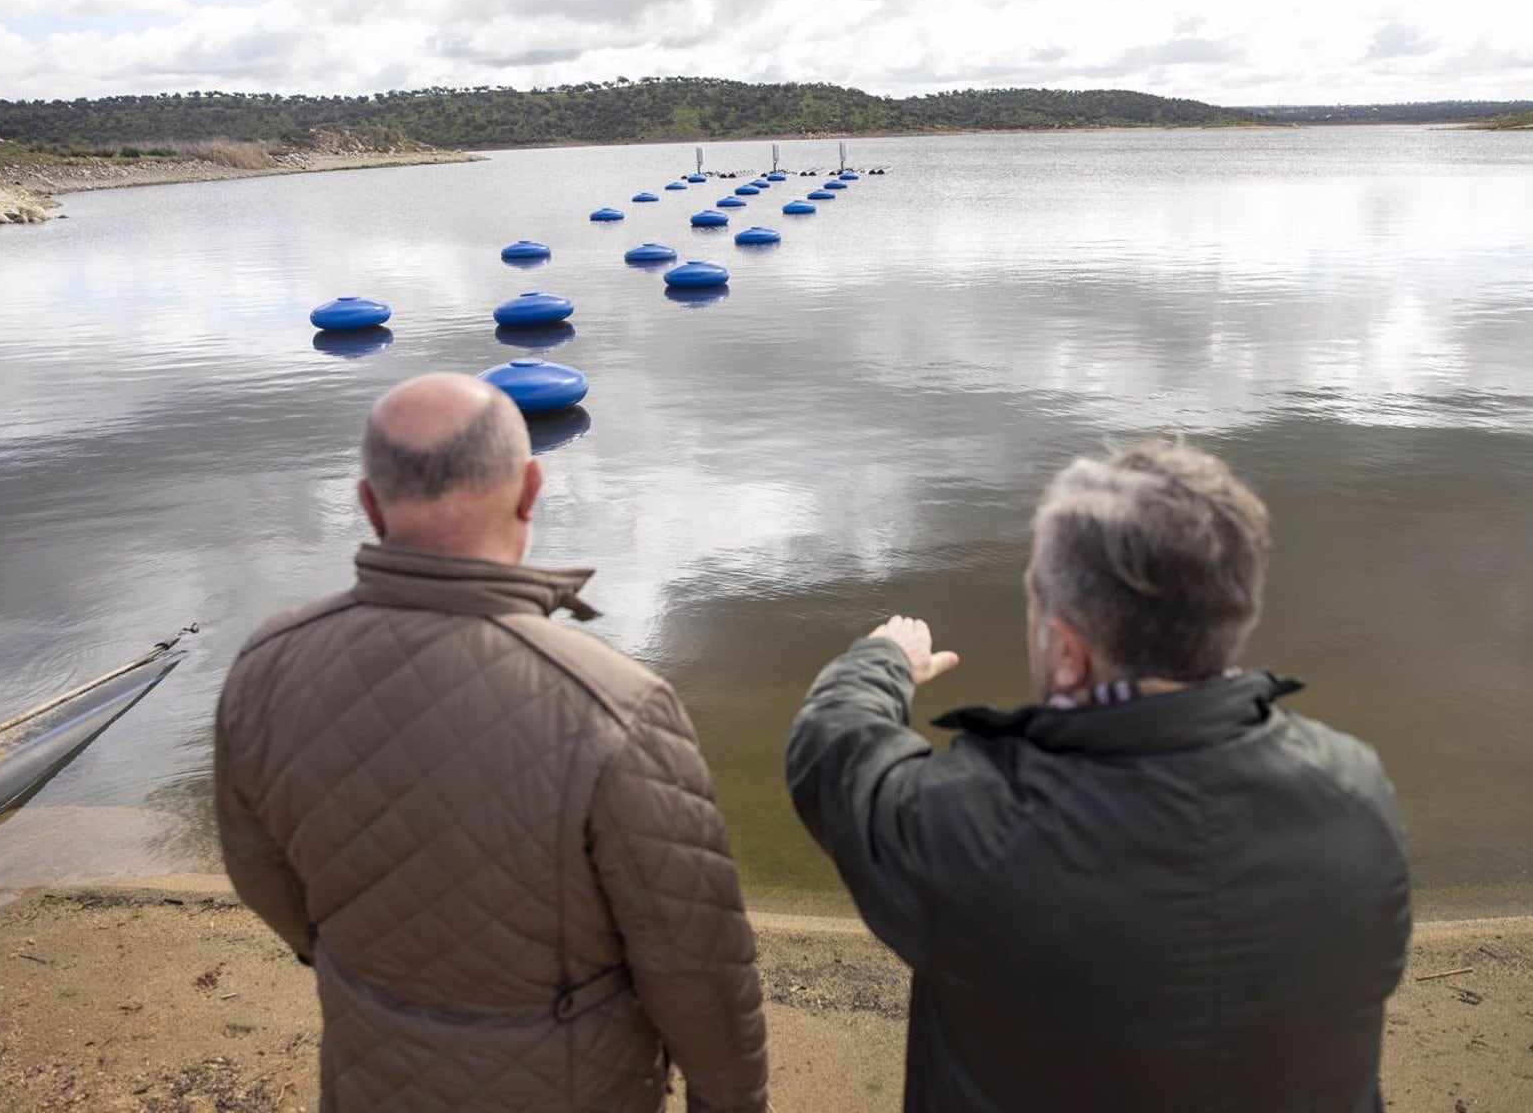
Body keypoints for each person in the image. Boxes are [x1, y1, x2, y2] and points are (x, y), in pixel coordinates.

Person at [785, 441, 1411, 1112]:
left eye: (1035, 602)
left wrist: (885, 660)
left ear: (1068, 653)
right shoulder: (1355, 793)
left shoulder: (971, 834)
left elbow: (833, 749)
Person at [215, 373, 767, 1113]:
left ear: (369, 503)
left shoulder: (265, 663)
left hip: (370, 1068)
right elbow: (695, 967)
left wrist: (356, 963)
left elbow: (260, 875)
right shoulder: (617, 706)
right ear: (529, 488)